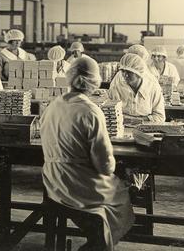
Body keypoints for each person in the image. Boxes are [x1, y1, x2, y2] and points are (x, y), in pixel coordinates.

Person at [40, 56, 134, 250]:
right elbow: (105, 166)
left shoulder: (52, 106)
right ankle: (99, 243)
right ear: (94, 81)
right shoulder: (90, 111)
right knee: (120, 197)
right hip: (78, 186)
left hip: (52, 181)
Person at [107, 53, 165, 125]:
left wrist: (137, 121)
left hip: (146, 128)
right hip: (121, 127)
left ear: (139, 73)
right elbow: (110, 113)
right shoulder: (117, 86)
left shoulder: (153, 87)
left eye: (129, 72)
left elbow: (160, 117)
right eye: (122, 71)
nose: (125, 75)